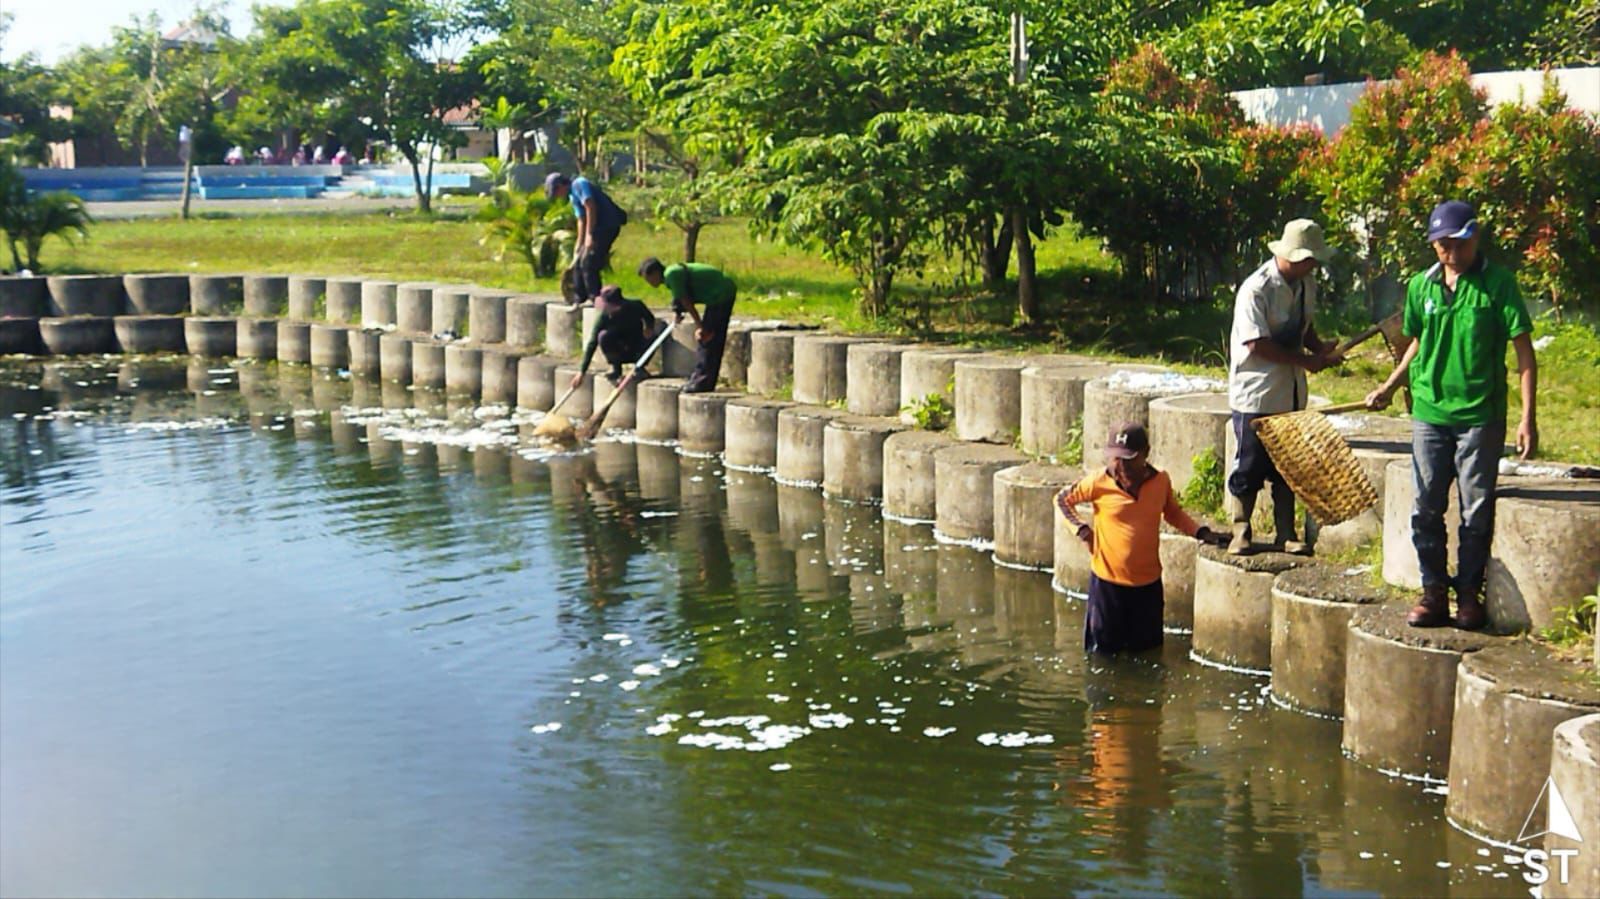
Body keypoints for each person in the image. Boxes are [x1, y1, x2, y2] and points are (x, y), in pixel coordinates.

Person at [1366, 200, 1537, 630]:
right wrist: (1391, 385)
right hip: (1430, 412)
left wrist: (1527, 417)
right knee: (1425, 506)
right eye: (1441, 245)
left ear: (1474, 237)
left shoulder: (1498, 285)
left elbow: (1524, 352)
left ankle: (1468, 595)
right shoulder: (1421, 286)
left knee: (1475, 510)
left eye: (1457, 243)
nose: (1449, 253)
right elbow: (1418, 342)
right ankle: (1433, 593)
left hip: (1481, 414)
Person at [1225, 218, 1342, 556]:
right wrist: (1306, 361)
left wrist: (1319, 348)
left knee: (1286, 466)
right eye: (1311, 259)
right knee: (1249, 463)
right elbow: (1256, 344)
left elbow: (1304, 326)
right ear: (1295, 255)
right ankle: (1241, 528)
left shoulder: (1306, 284)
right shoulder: (1256, 289)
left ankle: (1285, 532)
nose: (1314, 265)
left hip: (1290, 392)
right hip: (1256, 392)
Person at [1056, 423, 1224, 654]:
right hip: (1107, 586)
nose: (1121, 465)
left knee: (1148, 654)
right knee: (1102, 657)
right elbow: (1062, 500)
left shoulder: (1160, 481)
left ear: (1146, 453)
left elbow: (1172, 512)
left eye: (1128, 458)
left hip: (1147, 586)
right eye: (1115, 458)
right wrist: (1083, 531)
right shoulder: (1098, 482)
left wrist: (1201, 533)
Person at [637, 256, 736, 394]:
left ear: (655, 273)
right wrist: (677, 311)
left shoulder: (671, 274)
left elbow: (686, 301)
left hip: (721, 293)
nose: (649, 283)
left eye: (648, 279)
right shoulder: (671, 275)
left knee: (708, 338)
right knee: (707, 337)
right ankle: (699, 378)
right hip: (717, 294)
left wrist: (700, 326)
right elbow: (681, 294)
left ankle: (703, 382)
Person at [544, 172, 628, 306]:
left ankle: (595, 299)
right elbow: (581, 219)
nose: (557, 196)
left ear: (560, 186)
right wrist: (579, 243)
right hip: (596, 227)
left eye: (556, 192)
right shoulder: (572, 195)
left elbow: (590, 207)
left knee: (590, 261)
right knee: (579, 260)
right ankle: (579, 298)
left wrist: (590, 235)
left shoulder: (579, 184)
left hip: (608, 226)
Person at [570, 285, 662, 388]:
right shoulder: (604, 316)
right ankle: (616, 368)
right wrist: (582, 372)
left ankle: (640, 367)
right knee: (603, 336)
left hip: (636, 345)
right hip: (619, 348)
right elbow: (593, 342)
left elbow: (649, 317)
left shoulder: (636, 305)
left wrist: (649, 327)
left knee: (654, 337)